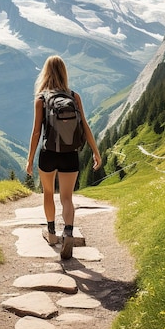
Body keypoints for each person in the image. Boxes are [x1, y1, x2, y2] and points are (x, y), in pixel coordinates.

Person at [25, 55, 102, 259]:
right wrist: (95, 151)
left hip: (48, 154)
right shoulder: (74, 97)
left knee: (48, 193)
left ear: (46, 73)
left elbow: (36, 132)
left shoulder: (41, 99)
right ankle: (68, 231)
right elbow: (84, 125)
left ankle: (51, 233)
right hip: (70, 155)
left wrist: (30, 159)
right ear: (64, 73)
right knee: (67, 197)